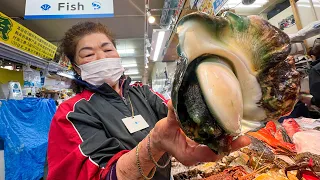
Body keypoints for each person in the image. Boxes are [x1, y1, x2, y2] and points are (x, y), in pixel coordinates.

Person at [43, 22, 250, 180]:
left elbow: (181, 122)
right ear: (76, 67)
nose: (101, 58)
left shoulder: (143, 93)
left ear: (117, 54)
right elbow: (101, 175)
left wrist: (201, 135)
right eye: (88, 54)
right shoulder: (71, 113)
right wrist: (155, 144)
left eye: (107, 50)